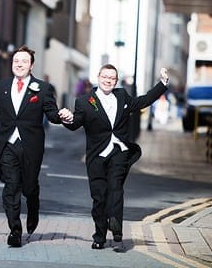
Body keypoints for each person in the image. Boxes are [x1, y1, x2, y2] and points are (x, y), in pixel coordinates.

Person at [0, 46, 72, 248]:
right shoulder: (1, 86)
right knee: (11, 188)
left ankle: (33, 204)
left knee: (29, 187)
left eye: (24, 61)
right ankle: (15, 230)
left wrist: (62, 116)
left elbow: (52, 113)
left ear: (31, 66)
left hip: (31, 146)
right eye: (16, 61)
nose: (19, 64)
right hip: (8, 144)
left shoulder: (43, 88)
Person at [62, 64, 169, 250]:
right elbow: (76, 123)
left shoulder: (122, 96)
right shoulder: (84, 101)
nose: (108, 80)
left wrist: (162, 83)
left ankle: (117, 226)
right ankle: (99, 236)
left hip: (119, 151)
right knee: (99, 198)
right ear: (98, 77)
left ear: (116, 81)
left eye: (112, 78)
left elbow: (142, 101)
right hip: (97, 156)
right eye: (105, 77)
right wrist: (67, 118)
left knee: (116, 187)